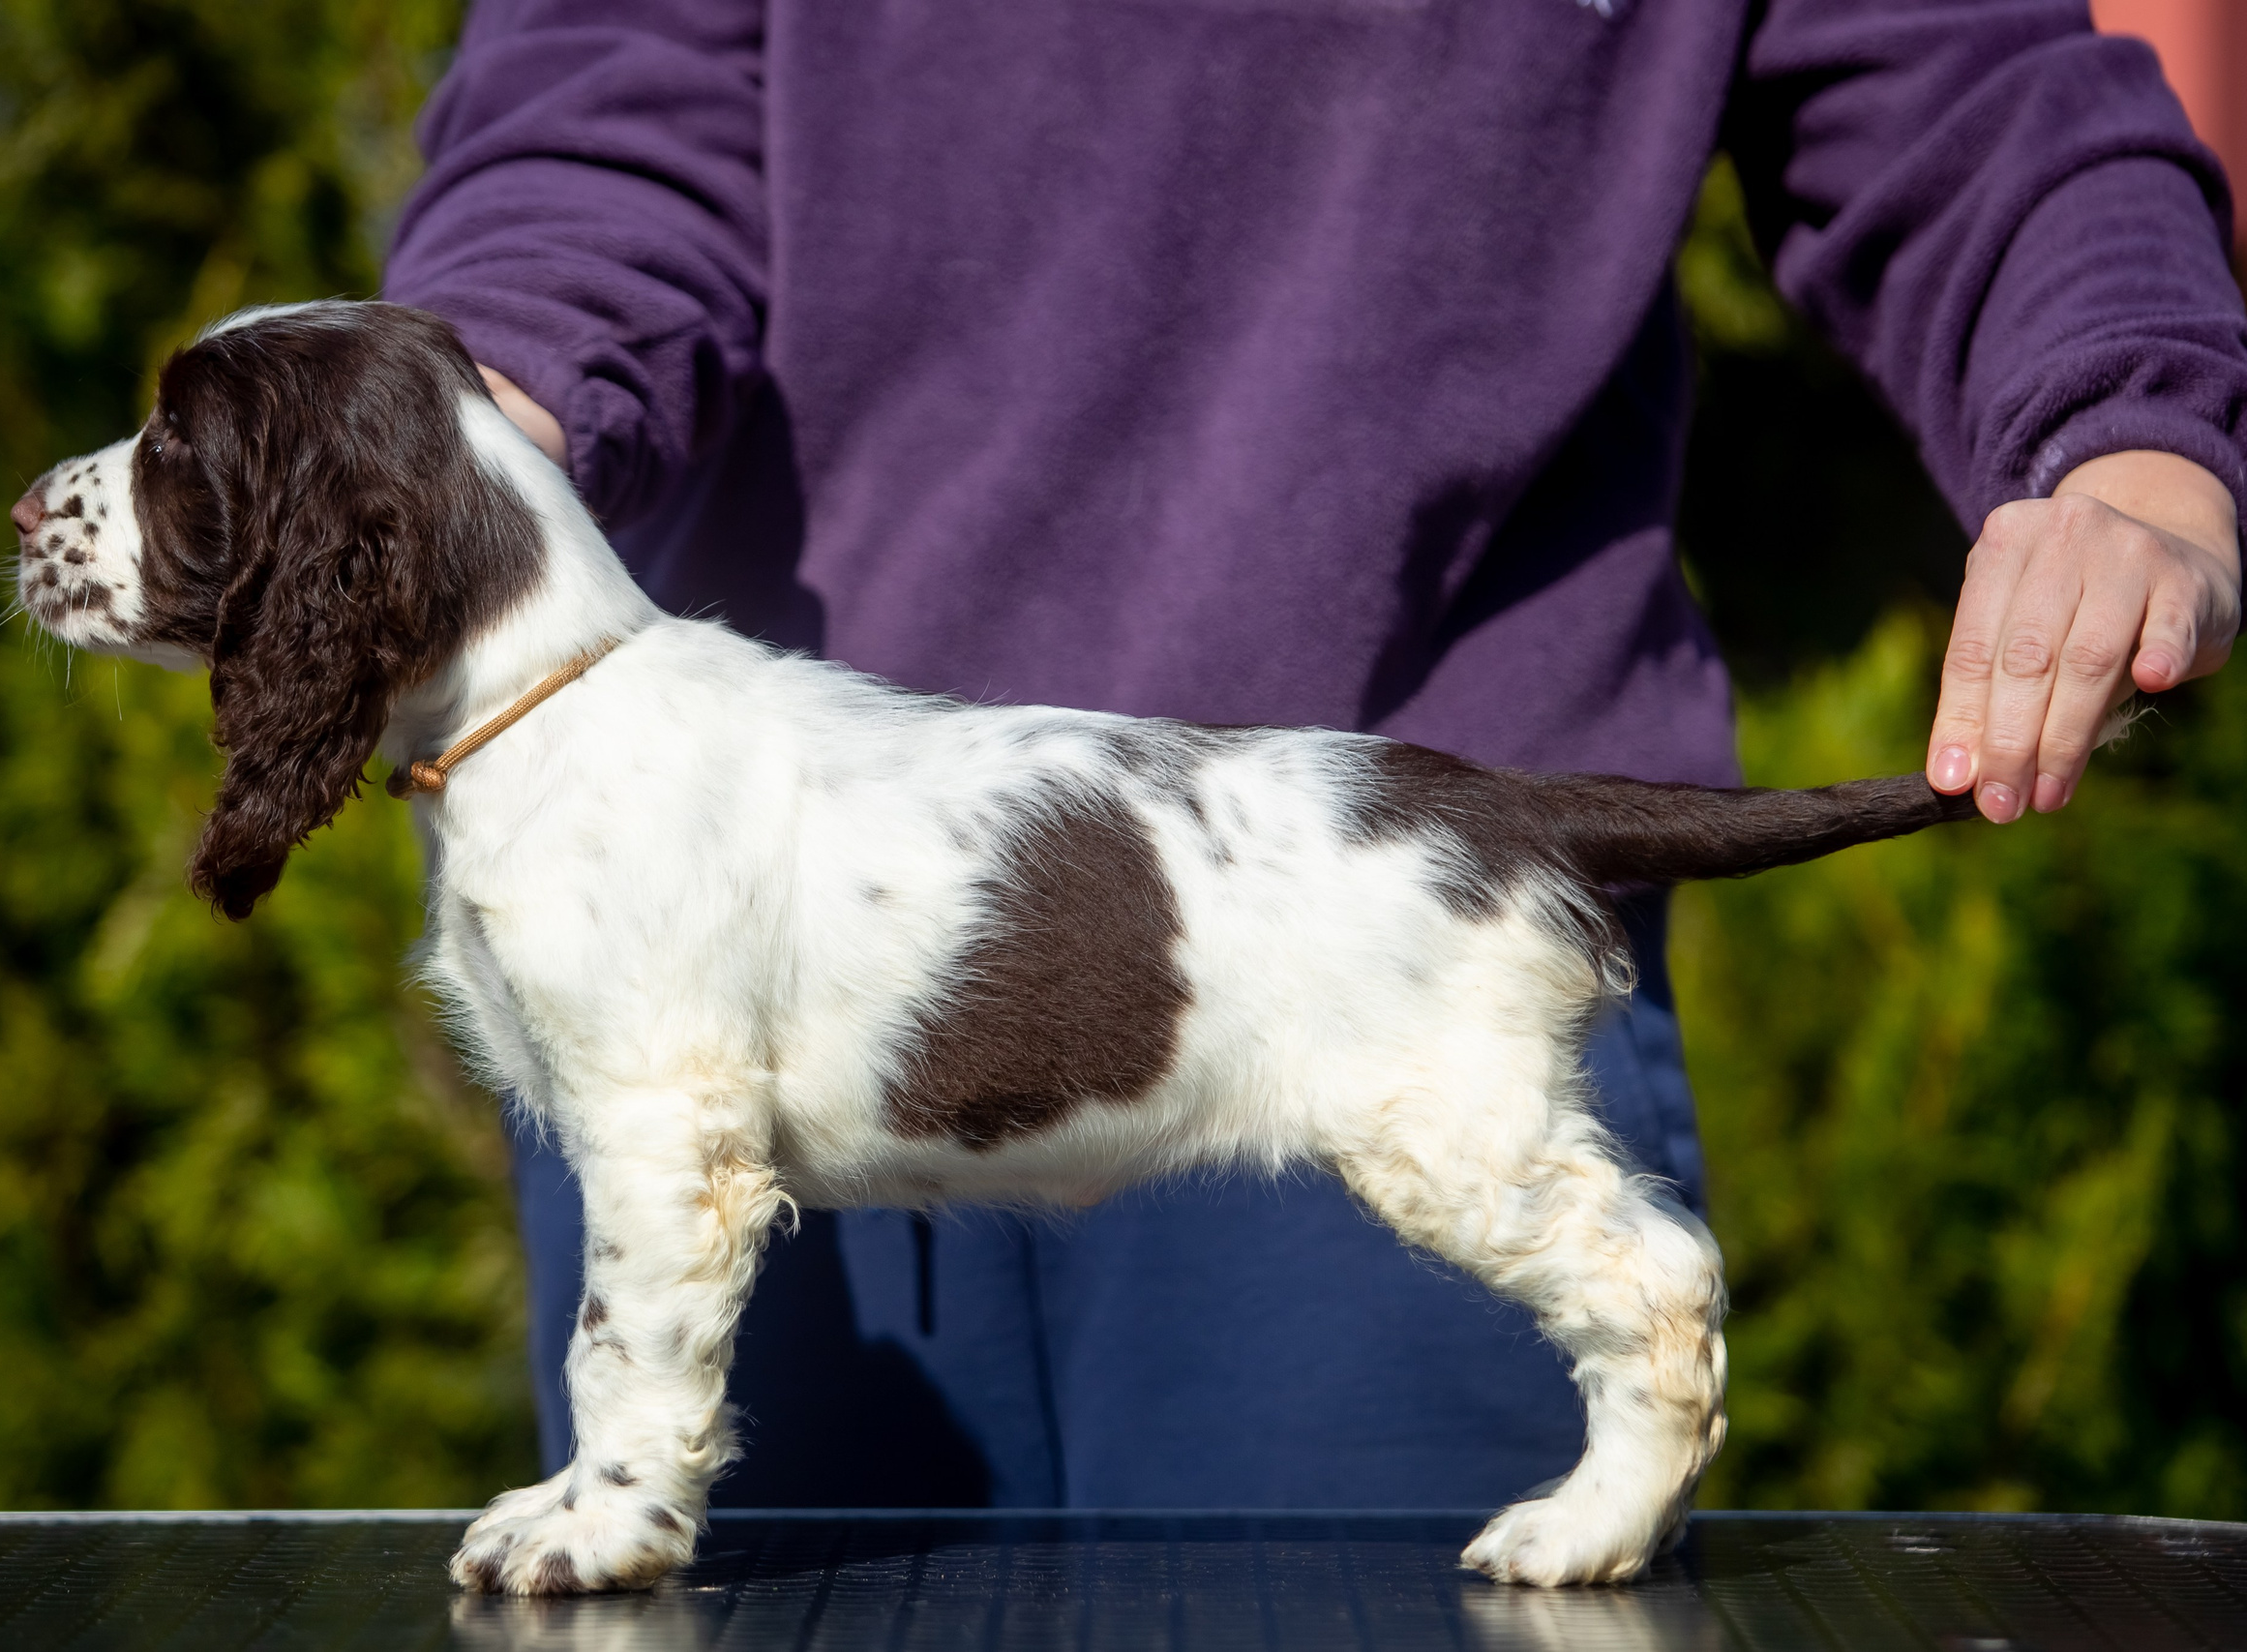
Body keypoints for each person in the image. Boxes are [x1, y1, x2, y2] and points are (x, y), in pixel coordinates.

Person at [382, 0, 2246, 1507]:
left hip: (1358, 930)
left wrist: (2138, 444)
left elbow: (1966, 95)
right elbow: (602, 113)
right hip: (744, 923)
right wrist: (456, 449)